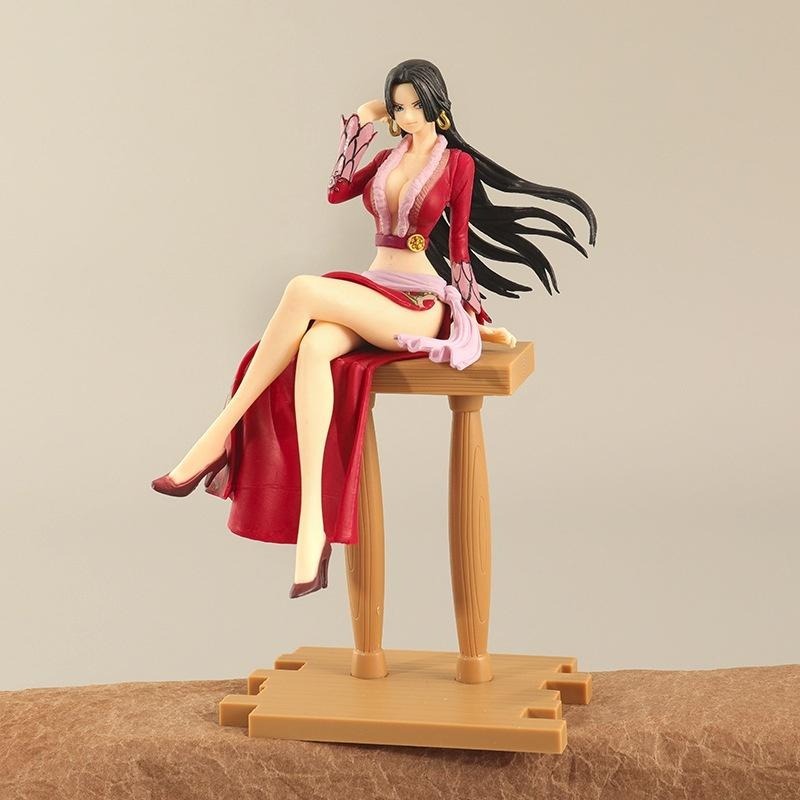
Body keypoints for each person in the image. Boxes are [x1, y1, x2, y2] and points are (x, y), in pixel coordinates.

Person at [151, 59, 597, 598]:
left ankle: (217, 436)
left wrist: (472, 319)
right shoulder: (387, 158)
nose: (406, 115)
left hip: (419, 300)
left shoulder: (456, 164)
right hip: (373, 288)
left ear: (436, 104)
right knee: (315, 346)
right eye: (398, 106)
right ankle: (312, 529)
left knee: (301, 289)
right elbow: (338, 191)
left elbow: (459, 253)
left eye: (414, 104)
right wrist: (362, 122)